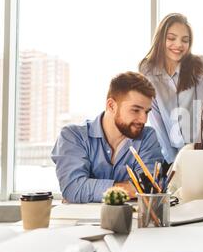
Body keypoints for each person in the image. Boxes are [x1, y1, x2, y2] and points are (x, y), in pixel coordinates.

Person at [51, 72, 164, 203]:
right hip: (81, 220)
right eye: (135, 110)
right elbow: (73, 189)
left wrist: (88, 188)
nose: (144, 119)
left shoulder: (147, 138)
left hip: (129, 220)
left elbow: (149, 188)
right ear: (111, 106)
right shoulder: (73, 136)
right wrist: (131, 188)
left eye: (147, 112)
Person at [139, 13, 203, 166]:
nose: (178, 45)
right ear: (161, 38)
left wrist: (199, 154)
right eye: (171, 38)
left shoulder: (200, 65)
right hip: (169, 154)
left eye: (185, 40)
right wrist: (174, 162)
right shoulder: (147, 70)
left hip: (200, 150)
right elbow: (156, 120)